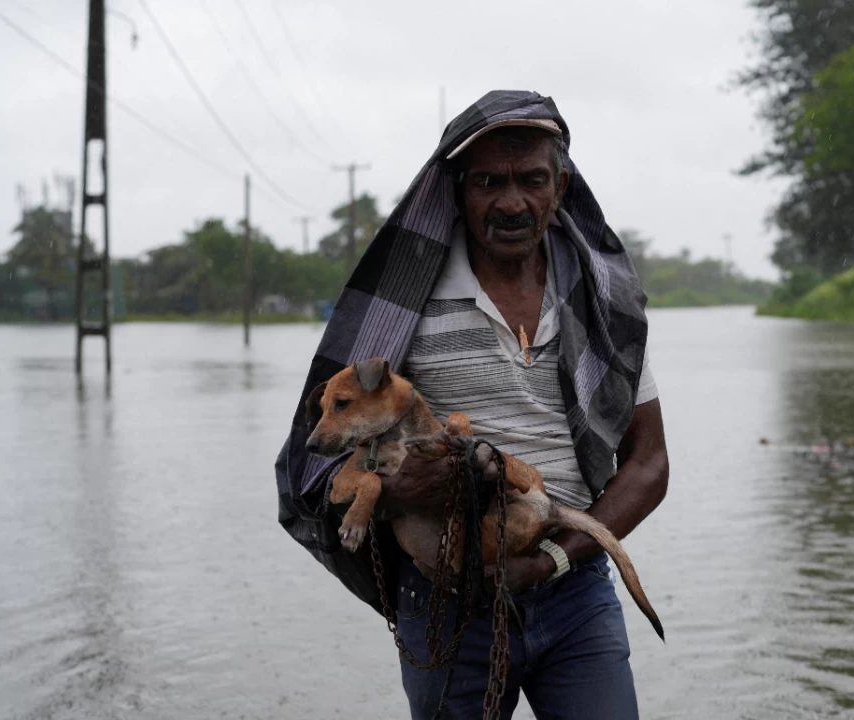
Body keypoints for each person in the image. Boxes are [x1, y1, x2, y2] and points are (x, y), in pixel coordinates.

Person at [274, 90, 669, 720]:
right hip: (444, 598)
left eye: (531, 179)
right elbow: (320, 461)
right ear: (459, 190)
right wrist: (405, 489)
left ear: (559, 185)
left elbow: (649, 464)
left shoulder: (603, 303)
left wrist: (551, 562)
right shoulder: (402, 307)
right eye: (488, 181)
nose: (511, 202)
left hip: (576, 589)